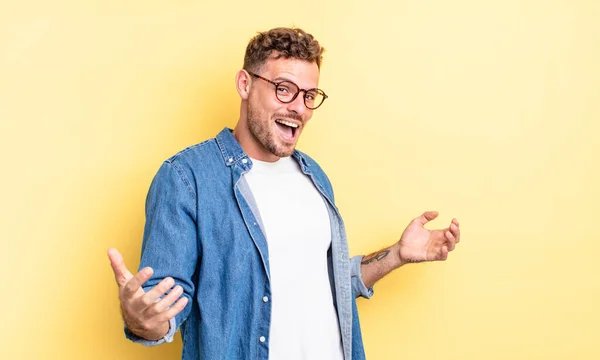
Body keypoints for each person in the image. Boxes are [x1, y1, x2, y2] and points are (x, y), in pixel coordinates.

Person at [107, 27, 461, 360]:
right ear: (245, 84)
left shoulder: (314, 175)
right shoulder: (187, 178)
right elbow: (161, 309)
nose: (299, 108)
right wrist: (142, 319)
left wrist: (397, 254)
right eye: (284, 89)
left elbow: (321, 283)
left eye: (309, 96)